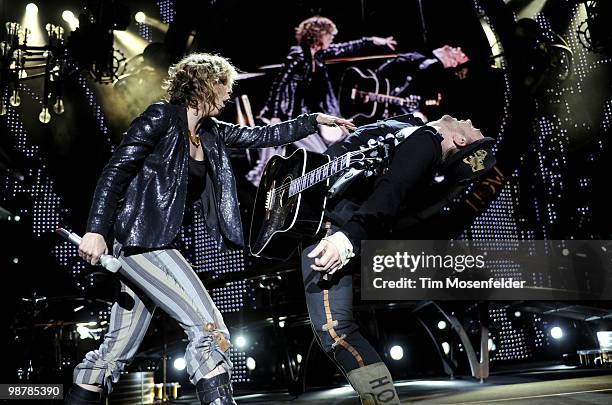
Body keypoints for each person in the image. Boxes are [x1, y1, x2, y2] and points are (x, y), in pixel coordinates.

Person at [66, 53, 354, 405]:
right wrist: (96, 229)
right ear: (206, 84)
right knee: (210, 330)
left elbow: (262, 134)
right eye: (225, 87)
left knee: (112, 355)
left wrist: (312, 121)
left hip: (155, 245)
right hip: (142, 243)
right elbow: (115, 172)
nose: (228, 95)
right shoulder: (161, 117)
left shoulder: (211, 133)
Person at [300, 113, 495, 404]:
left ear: (460, 139)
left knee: (335, 330)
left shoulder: (428, 141)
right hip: (326, 220)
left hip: (332, 228)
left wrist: (346, 239)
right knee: (335, 331)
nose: (471, 120)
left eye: (474, 127)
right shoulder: (415, 131)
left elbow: (392, 190)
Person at [247, 16, 397, 185]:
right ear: (318, 35)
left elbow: (345, 47)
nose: (332, 39)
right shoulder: (296, 56)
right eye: (330, 35)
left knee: (312, 156)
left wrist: (372, 41)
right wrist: (275, 115)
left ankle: (280, 187)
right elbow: (280, 86)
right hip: (284, 117)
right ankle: (254, 194)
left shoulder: (318, 55)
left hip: (299, 118)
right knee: (268, 165)